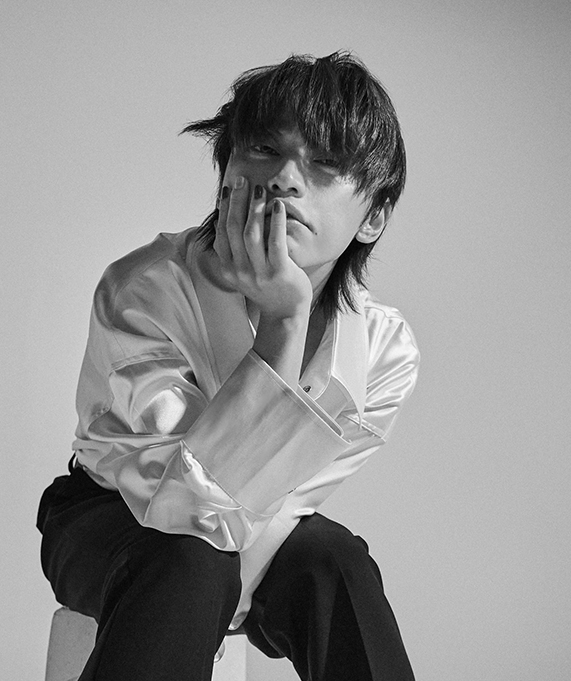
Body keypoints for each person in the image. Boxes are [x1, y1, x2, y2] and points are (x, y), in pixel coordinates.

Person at [37, 51, 420, 681]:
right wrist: (284, 323)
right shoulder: (145, 290)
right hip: (109, 515)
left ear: (373, 216)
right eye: (264, 149)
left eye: (325, 164)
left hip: (263, 527)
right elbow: (181, 509)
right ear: (227, 173)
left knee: (338, 564)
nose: (286, 179)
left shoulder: (385, 351)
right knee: (192, 563)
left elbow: (278, 503)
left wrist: (290, 318)